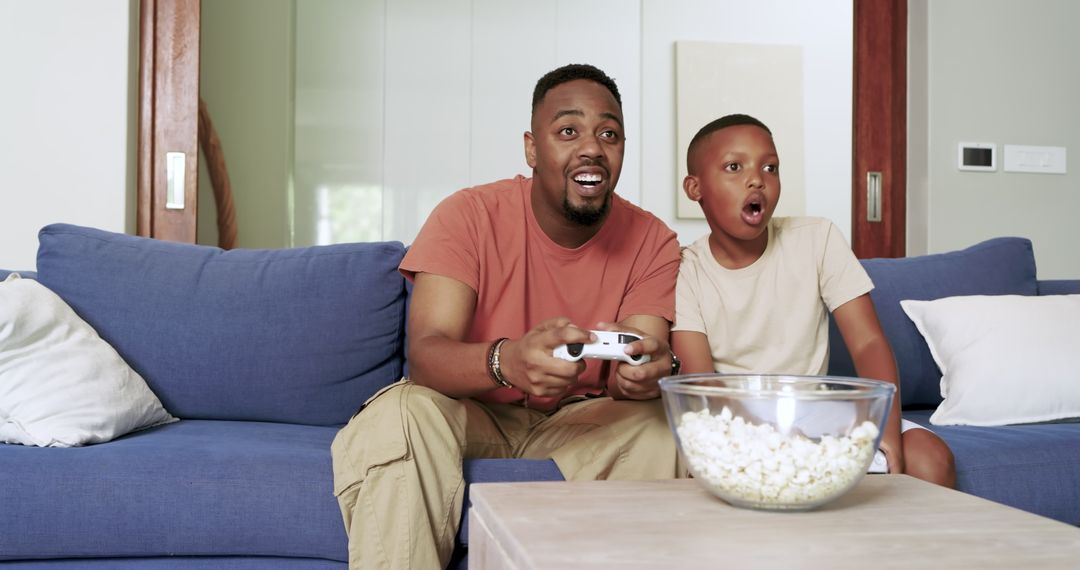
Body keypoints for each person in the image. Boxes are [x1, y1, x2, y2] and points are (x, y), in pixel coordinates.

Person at [331, 63, 684, 570]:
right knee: (401, 412)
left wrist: (648, 374)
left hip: (581, 424)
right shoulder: (468, 215)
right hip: (472, 414)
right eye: (568, 131)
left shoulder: (653, 241)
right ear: (532, 148)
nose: (592, 148)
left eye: (609, 134)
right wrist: (508, 361)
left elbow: (641, 361)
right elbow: (427, 355)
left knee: (661, 427)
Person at [671, 113, 956, 487]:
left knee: (929, 456)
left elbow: (868, 342)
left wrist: (883, 429)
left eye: (770, 167)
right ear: (695, 188)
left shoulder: (817, 238)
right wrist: (775, 442)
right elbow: (702, 385)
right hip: (734, 423)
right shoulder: (686, 270)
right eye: (734, 167)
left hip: (815, 410)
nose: (757, 179)